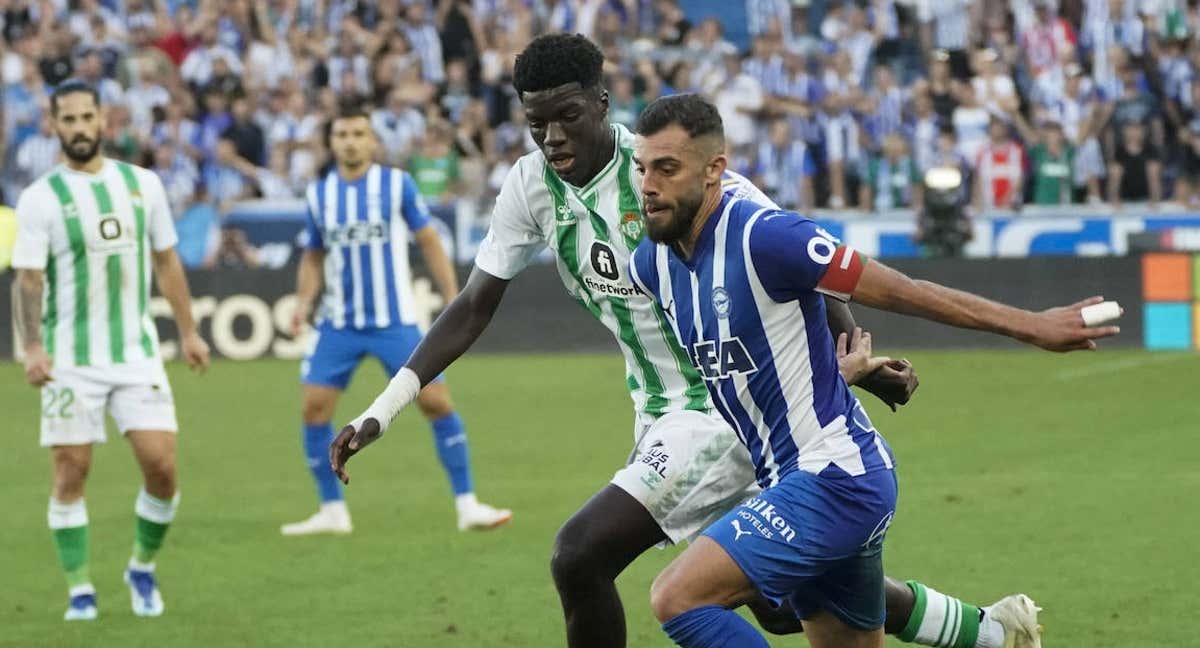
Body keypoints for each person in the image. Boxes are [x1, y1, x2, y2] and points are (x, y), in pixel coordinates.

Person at [330, 34, 1042, 648]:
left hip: (720, 406)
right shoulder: (530, 187)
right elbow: (473, 304)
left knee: (580, 556)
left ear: (603, 105)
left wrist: (852, 352)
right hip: (657, 413)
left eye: (567, 117)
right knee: (781, 602)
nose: (553, 138)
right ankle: (984, 629)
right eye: (536, 123)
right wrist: (383, 407)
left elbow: (791, 260)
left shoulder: (672, 170)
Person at [630, 93, 1117, 648]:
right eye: (643, 168)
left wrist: (1031, 325)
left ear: (716, 169)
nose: (649, 184)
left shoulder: (767, 236)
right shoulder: (652, 265)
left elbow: (903, 293)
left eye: (667, 169)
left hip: (833, 476)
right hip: (799, 480)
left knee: (677, 597)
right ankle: (996, 634)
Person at [10, 79, 211, 620]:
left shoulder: (143, 185)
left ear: (103, 121)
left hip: (135, 353)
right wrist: (31, 347)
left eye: (85, 117)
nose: (78, 128)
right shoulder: (39, 198)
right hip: (67, 358)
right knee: (71, 471)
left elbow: (167, 261)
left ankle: (141, 569)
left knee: (162, 466)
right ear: (53, 126)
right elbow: (27, 281)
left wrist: (189, 331)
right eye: (67, 120)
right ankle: (79, 588)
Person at [281, 104, 510, 535]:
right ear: (332, 143)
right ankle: (332, 510)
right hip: (339, 322)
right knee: (314, 409)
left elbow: (428, 239)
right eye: (342, 134)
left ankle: (467, 504)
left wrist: (452, 296)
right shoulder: (319, 195)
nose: (350, 141)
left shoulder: (395, 185)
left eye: (358, 133)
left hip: (394, 320)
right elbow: (313, 256)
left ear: (372, 142)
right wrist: (303, 302)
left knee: (436, 402)